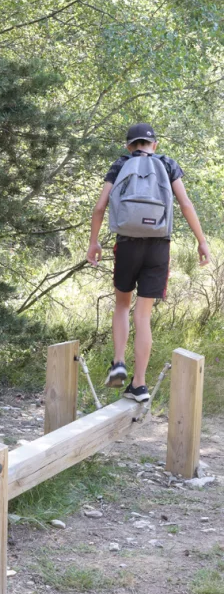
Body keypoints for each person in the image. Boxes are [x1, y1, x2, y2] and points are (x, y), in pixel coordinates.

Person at [86, 123, 210, 402]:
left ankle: (118, 362)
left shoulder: (120, 165)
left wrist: (94, 242)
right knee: (143, 315)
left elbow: (99, 206)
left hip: (127, 244)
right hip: (158, 246)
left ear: (129, 145)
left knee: (121, 305)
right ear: (154, 145)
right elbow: (186, 204)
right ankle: (139, 385)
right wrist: (201, 241)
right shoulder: (167, 164)